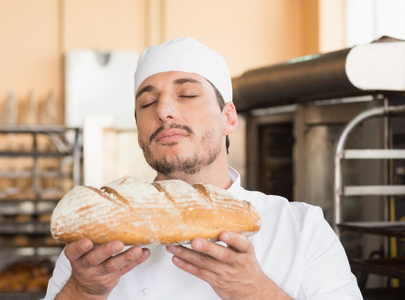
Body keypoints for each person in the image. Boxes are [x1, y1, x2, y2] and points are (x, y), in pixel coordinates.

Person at [42, 37, 362, 299]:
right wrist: (83, 292)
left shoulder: (301, 228)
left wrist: (256, 292)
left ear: (229, 118)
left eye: (188, 94)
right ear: (139, 133)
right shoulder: (97, 234)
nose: (164, 110)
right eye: (147, 103)